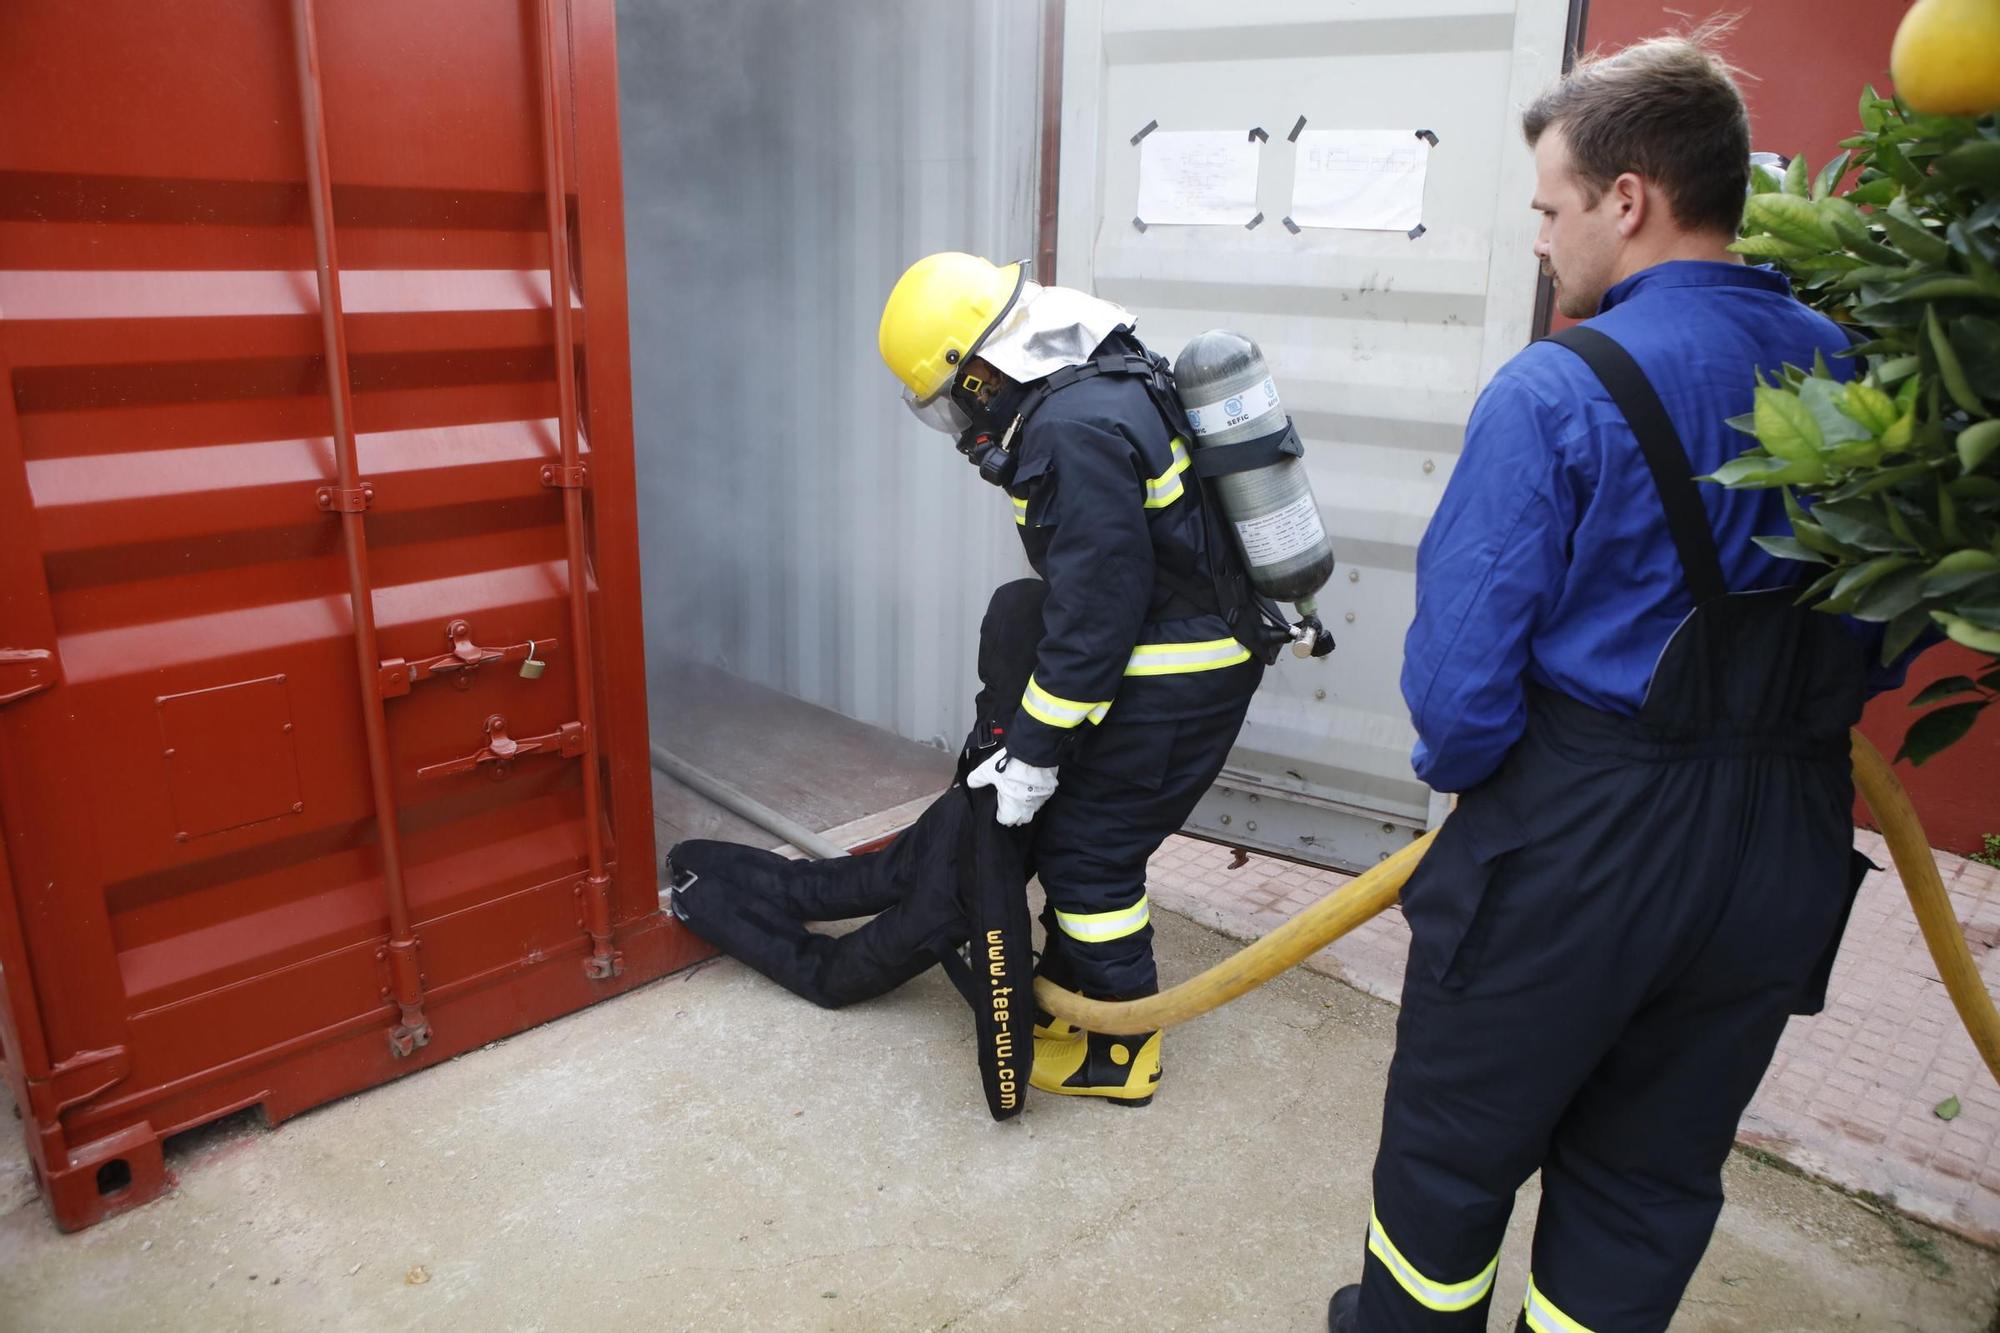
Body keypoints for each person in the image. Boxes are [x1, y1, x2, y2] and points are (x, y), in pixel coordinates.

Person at [1328, 35, 1905, 1333]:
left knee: (1448, 1171)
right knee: (1648, 1185)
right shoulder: (1868, 378)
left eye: (1550, 206)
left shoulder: (1557, 391)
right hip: (1783, 849)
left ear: (1627, 200)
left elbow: (1461, 692)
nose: (1542, 238)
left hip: (1580, 842)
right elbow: (1893, 633)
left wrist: (1525, 810)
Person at [877, 253, 1267, 1105]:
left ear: (978, 374)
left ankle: (1120, 1049)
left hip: (1177, 673)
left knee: (1090, 856)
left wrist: (1036, 753)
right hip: (1179, 653)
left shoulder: (1068, 431)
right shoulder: (1101, 378)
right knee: (1078, 839)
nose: (964, 430)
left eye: (953, 404)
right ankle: (1077, 997)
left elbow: (1093, 619)